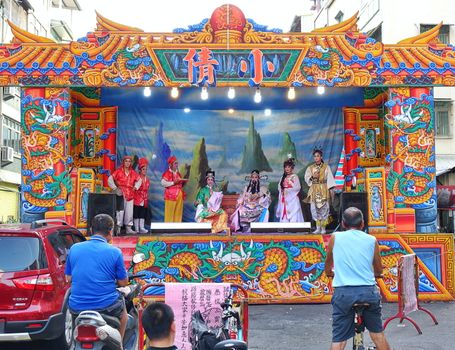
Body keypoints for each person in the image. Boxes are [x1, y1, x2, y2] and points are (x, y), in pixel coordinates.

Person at [324, 207, 391, 350]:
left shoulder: (335, 237)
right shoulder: (372, 240)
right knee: (377, 335)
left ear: (342, 224)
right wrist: (377, 274)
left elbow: (328, 263)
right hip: (368, 292)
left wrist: (329, 273)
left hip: (343, 294)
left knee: (339, 340)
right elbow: (378, 268)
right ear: (362, 224)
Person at [65, 214, 129, 339]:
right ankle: (119, 345)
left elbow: (68, 278)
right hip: (106, 306)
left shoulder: (74, 248)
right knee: (124, 315)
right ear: (110, 231)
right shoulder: (115, 252)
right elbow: (123, 283)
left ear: (90, 230)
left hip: (76, 306)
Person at [304, 148, 336, 234]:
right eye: (315, 156)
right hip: (314, 188)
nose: (316, 158)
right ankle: (318, 228)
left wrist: (331, 189)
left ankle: (323, 228)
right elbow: (307, 178)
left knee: (324, 209)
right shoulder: (310, 168)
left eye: (318, 156)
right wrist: (312, 177)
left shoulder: (326, 167)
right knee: (314, 209)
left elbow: (329, 179)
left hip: (323, 188)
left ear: (321, 157)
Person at [108, 155, 142, 234]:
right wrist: (115, 188)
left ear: (131, 163)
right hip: (121, 194)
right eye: (126, 161)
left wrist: (135, 187)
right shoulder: (119, 171)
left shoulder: (133, 173)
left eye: (129, 161)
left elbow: (139, 180)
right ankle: (118, 228)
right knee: (120, 212)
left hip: (130, 194)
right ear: (123, 162)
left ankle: (128, 228)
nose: (128, 163)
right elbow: (110, 179)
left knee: (129, 212)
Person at [276, 158, 304, 223]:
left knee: (294, 215)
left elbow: (297, 187)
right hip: (285, 199)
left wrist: (288, 191)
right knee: (284, 216)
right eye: (285, 167)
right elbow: (279, 187)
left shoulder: (295, 176)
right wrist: (282, 191)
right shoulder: (283, 177)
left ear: (292, 168)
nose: (287, 169)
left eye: (289, 167)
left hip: (293, 199)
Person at [161, 156, 187, 222]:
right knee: (170, 214)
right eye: (175, 163)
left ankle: (177, 228)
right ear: (170, 164)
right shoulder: (167, 173)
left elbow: (179, 183)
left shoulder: (178, 174)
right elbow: (163, 183)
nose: (176, 165)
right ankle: (168, 229)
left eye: (177, 163)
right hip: (171, 197)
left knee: (178, 214)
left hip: (179, 196)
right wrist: (173, 182)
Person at [134, 158, 151, 234]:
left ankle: (142, 228)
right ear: (140, 170)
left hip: (144, 198)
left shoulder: (147, 179)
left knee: (142, 213)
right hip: (137, 197)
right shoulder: (137, 178)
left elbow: (146, 188)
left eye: (146, 169)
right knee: (136, 213)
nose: (145, 171)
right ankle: (136, 228)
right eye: (143, 169)